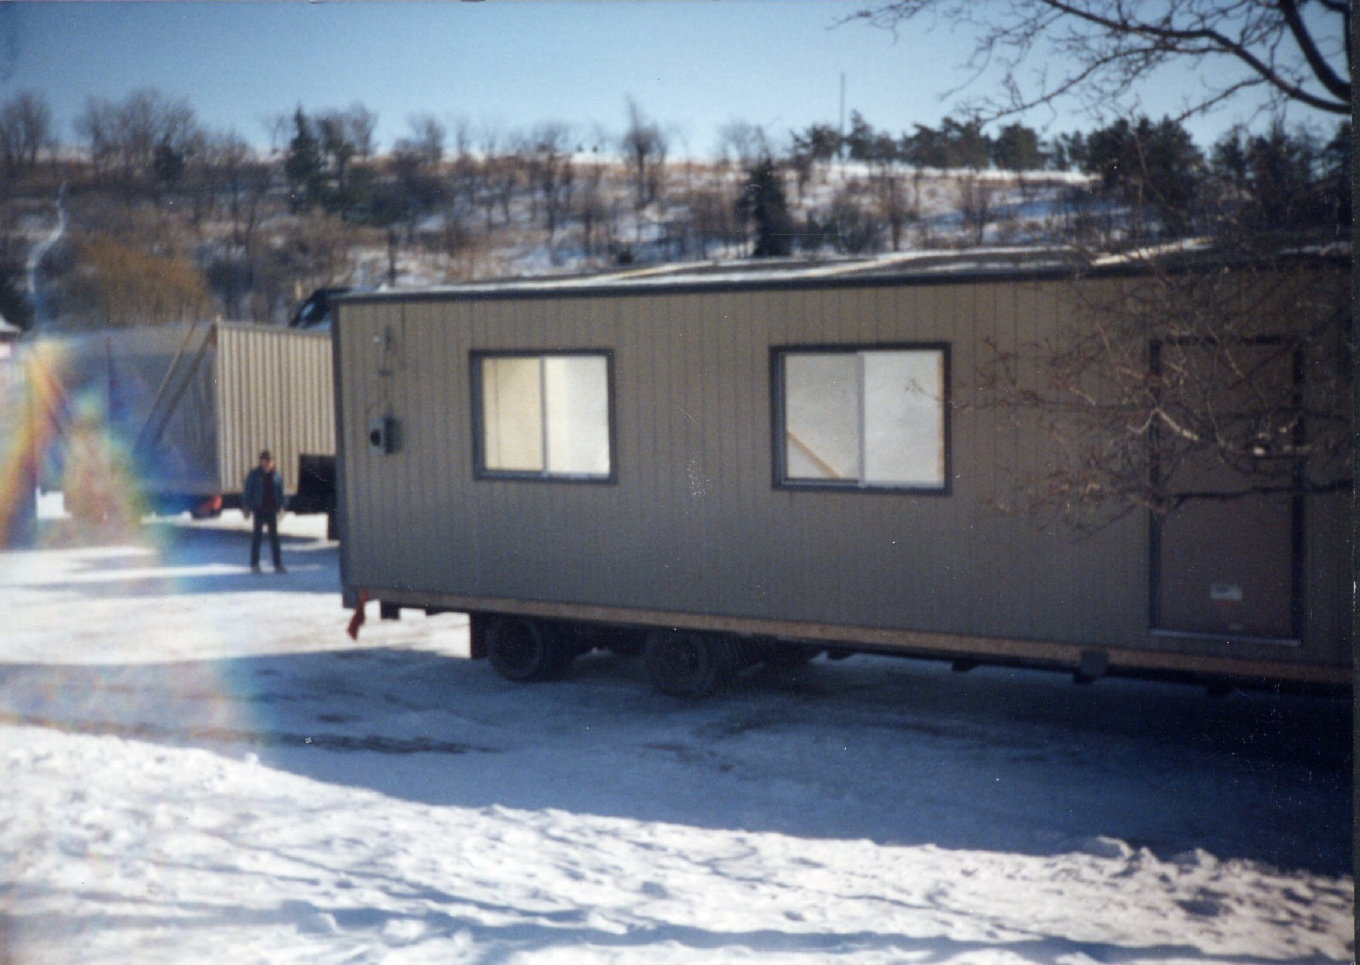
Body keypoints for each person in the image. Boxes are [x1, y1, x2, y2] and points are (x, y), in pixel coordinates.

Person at [243, 449, 286, 574]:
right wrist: (246, 507)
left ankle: (277, 565)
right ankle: (255, 565)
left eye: (269, 460)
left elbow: (280, 493)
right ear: (261, 461)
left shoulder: (276, 476)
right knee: (257, 537)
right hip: (259, 509)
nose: (267, 463)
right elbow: (248, 491)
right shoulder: (254, 475)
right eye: (264, 460)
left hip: (272, 510)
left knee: (275, 539)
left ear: (273, 462)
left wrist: (282, 506)